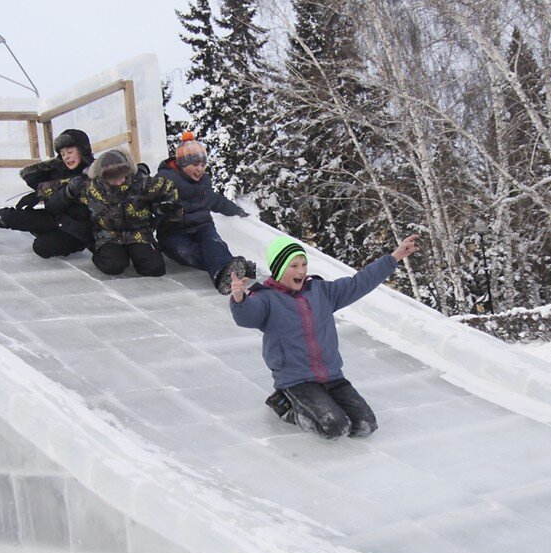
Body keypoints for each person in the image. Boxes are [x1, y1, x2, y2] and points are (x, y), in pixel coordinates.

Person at [229, 233, 419, 439]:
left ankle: (322, 402)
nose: (301, 271)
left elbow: (359, 283)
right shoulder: (266, 299)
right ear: (279, 268)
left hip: (332, 376)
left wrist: (394, 258)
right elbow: (247, 316)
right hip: (297, 380)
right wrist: (239, 297)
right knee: (336, 427)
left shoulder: (320, 291)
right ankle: (285, 407)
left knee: (366, 425)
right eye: (293, 266)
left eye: (303, 264)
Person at [0, 129, 95, 258]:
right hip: (55, 218)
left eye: (70, 152)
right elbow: (39, 185)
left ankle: (51, 236)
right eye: (62, 154)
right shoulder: (58, 172)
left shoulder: (96, 174)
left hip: (77, 231)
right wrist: (39, 193)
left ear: (83, 149)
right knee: (11, 216)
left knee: (42, 247)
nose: (66, 157)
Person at [50, 148, 181, 277]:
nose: (120, 181)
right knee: (113, 266)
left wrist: (163, 211)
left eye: (122, 175)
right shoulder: (90, 187)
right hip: (108, 234)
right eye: (113, 178)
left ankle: (135, 252)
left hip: (139, 232)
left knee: (154, 269)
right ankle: (100, 250)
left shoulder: (141, 182)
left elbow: (167, 187)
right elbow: (50, 190)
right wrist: (66, 193)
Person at [155, 132, 255, 294]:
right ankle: (233, 268)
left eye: (202, 165)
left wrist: (236, 211)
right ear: (182, 163)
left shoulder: (204, 183)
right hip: (174, 231)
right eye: (195, 164)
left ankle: (226, 273)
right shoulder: (165, 180)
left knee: (213, 242)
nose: (199, 169)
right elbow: (150, 203)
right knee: (186, 251)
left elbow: (216, 201)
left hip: (202, 226)